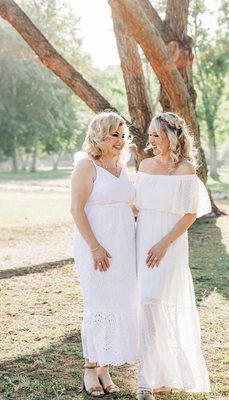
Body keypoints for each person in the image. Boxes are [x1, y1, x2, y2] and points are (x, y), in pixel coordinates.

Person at [135, 112, 211, 399]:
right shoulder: (144, 165)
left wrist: (163, 244)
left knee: (157, 305)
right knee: (146, 306)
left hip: (169, 245)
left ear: (172, 137)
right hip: (142, 241)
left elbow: (190, 213)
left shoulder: (185, 170)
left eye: (156, 135)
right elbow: (137, 205)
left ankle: (151, 378)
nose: (151, 140)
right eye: (150, 135)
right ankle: (152, 377)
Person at [70, 111, 138, 397]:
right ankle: (90, 368)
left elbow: (131, 205)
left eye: (123, 135)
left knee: (118, 302)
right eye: (114, 135)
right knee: (98, 304)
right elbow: (76, 209)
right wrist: (95, 247)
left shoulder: (123, 167)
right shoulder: (87, 166)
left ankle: (104, 367)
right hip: (96, 246)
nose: (120, 141)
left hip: (124, 246)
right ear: (99, 135)